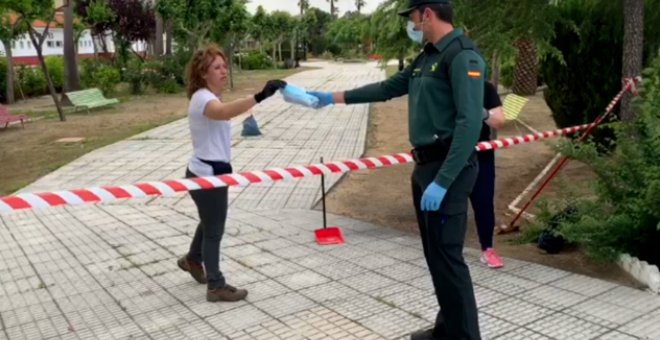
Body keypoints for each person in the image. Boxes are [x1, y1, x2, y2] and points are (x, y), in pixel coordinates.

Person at [307, 1, 485, 338]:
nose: (412, 25)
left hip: (449, 169)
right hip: (425, 168)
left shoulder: (462, 55)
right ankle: (446, 328)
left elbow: (469, 124)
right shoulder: (428, 56)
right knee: (436, 257)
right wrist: (332, 97)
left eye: (413, 18)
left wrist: (444, 181)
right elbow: (387, 88)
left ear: (427, 14)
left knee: (449, 259)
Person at [176, 44, 286, 302]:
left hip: (211, 171)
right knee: (214, 230)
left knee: (209, 221)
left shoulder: (208, 96)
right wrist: (259, 96)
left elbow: (221, 112)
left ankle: (193, 259)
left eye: (225, 66)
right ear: (203, 73)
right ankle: (216, 286)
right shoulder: (203, 98)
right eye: (217, 67)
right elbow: (222, 113)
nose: (224, 71)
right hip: (207, 174)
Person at [472, 81, 505, 268]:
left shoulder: (485, 88)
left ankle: (488, 249)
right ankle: (447, 250)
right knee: (450, 203)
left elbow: (499, 121)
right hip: (449, 153)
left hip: (481, 154)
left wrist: (479, 111)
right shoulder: (443, 85)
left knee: (483, 201)